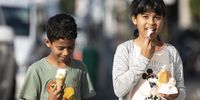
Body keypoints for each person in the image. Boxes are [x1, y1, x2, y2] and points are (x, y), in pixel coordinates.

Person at [112, 0, 185, 100]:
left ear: (163, 20)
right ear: (134, 19)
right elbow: (119, 90)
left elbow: (181, 91)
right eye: (145, 16)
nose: (151, 22)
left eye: (157, 18)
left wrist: (176, 95)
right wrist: (144, 58)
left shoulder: (172, 52)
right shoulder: (125, 50)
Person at [19, 13, 96, 100]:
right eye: (61, 48)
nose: (66, 53)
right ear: (48, 42)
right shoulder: (36, 70)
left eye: (70, 47)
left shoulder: (80, 68)